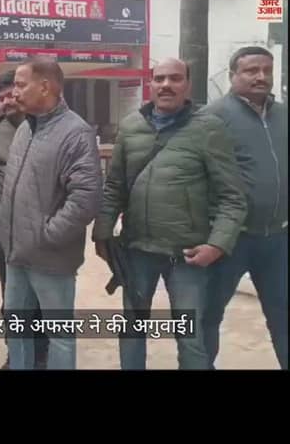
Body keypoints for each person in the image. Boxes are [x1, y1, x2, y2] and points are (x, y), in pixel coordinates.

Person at [92, 58, 248, 371]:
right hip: (137, 250)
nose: (166, 85)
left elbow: (233, 196)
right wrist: (102, 233)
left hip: (187, 256)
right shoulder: (131, 126)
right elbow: (115, 187)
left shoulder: (208, 128)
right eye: (159, 78)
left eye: (175, 78)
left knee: (191, 338)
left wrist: (216, 245)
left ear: (187, 85)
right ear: (150, 84)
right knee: (132, 330)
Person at [0, 58, 103, 371]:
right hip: (16, 255)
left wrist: (46, 235)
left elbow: (85, 199)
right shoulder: (24, 129)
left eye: (20, 85)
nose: (14, 93)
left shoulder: (75, 133)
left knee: (59, 336)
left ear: (44, 87)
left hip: (51, 258)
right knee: (16, 327)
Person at [202, 47, 288, 369]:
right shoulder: (212, 117)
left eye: (267, 70)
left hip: (277, 238)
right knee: (209, 314)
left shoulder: (284, 116)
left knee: (283, 315)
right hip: (229, 240)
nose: (261, 77)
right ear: (233, 75)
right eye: (252, 70)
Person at [0, 71, 49, 370]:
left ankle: (41, 353)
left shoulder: (47, 129)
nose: (6, 102)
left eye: (10, 95)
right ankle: (15, 353)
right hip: (4, 235)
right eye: (0, 98)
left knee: (42, 295)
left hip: (43, 235)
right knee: (12, 297)